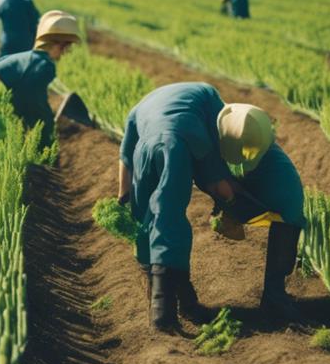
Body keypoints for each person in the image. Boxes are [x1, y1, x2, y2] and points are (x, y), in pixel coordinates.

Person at [117, 82, 303, 331]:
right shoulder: (208, 113)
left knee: (148, 222)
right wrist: (231, 204)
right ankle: (163, 315)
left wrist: (124, 194)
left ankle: (184, 302)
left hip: (146, 149)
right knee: (169, 219)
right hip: (174, 144)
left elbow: (125, 155)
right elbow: (218, 182)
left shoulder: (145, 106)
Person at [0, 10, 80, 147]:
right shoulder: (45, 65)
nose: (64, 54)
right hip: (30, 141)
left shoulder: (14, 59)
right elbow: (33, 106)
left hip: (5, 137)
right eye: (67, 48)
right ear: (59, 45)